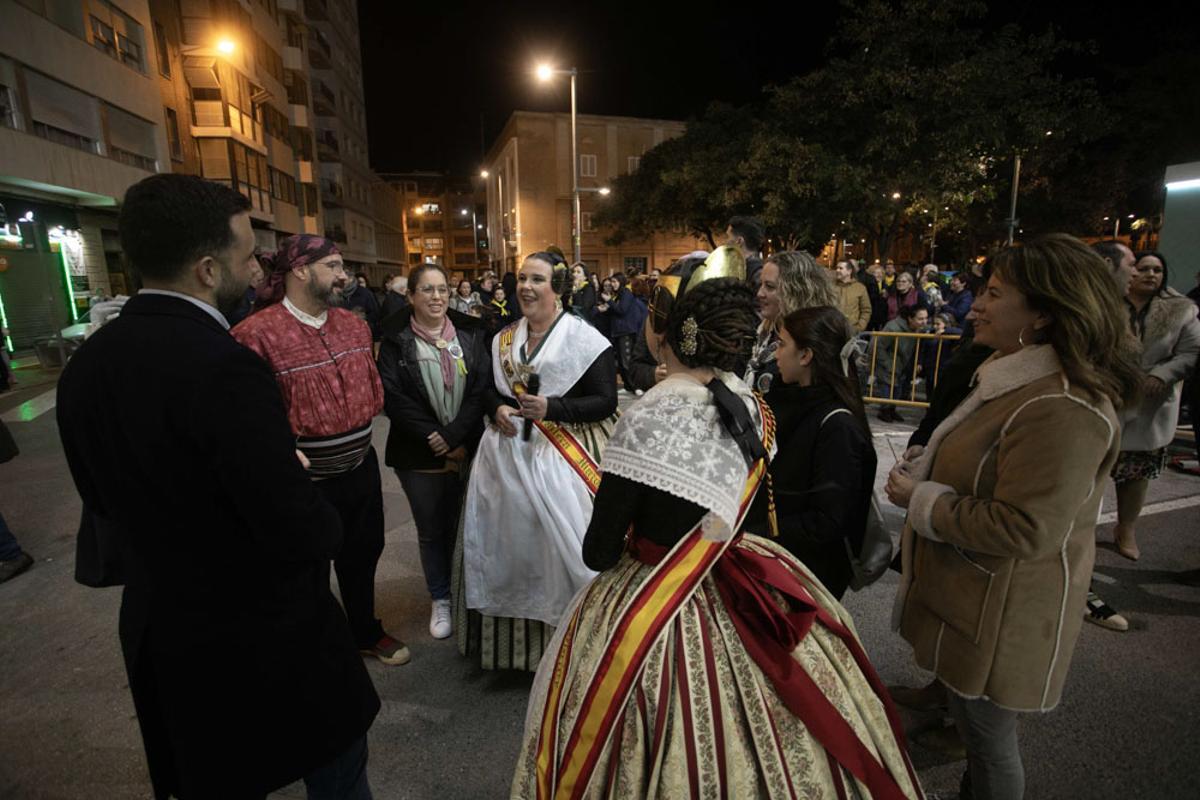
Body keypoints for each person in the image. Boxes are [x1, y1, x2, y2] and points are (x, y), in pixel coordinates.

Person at [513, 248, 921, 799]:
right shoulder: (751, 405)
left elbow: (599, 551)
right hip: (747, 576)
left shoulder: (647, 416)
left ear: (667, 334)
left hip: (657, 593)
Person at [56, 174, 379, 798]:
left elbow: (99, 500)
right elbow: (295, 524)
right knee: (338, 775)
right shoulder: (226, 365)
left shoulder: (86, 366)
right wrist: (309, 496)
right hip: (266, 630)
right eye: (247, 255)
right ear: (207, 270)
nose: (258, 267)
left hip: (167, 632)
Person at [885, 234, 1139, 800]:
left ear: (1044, 314)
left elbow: (1027, 527)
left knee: (989, 744)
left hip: (1003, 612)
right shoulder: (1013, 377)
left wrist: (922, 500)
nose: (976, 306)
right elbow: (988, 466)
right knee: (973, 725)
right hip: (974, 600)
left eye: (995, 294)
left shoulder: (1062, 406)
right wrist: (933, 465)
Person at [233, 234, 409, 667]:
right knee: (305, 563)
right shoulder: (255, 334)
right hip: (303, 481)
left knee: (363, 552)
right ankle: (315, 646)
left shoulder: (354, 325)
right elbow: (245, 411)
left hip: (360, 468)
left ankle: (365, 631)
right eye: (332, 266)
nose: (343, 276)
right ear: (299, 270)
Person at [457, 251, 618, 671]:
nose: (526, 287)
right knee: (509, 547)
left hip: (562, 454)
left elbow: (605, 401)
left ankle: (570, 648)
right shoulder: (502, 339)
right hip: (505, 458)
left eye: (537, 280)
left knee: (556, 550)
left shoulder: (585, 339)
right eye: (523, 279)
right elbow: (484, 388)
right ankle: (513, 654)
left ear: (557, 288)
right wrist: (496, 407)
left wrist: (554, 408)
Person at [376, 264, 490, 640]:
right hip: (417, 450)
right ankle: (440, 597)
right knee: (430, 531)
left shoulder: (471, 333)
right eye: (427, 289)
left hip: (466, 445)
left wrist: (454, 435)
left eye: (442, 289)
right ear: (410, 296)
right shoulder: (394, 340)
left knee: (466, 527)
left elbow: (480, 388)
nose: (437, 296)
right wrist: (433, 436)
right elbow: (393, 396)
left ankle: (466, 594)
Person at [747, 305, 877, 598]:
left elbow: (827, 522)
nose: (776, 354)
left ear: (805, 355)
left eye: (782, 345)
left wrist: (755, 532)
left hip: (804, 577)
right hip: (776, 561)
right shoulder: (790, 402)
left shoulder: (838, 427)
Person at [1109, 251, 1200, 560]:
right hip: (1111, 395)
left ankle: (1126, 528)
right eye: (1144, 268)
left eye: (1157, 270)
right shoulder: (1108, 304)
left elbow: (1190, 352)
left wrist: (1163, 374)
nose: (1150, 274)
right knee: (1093, 468)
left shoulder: (1181, 310)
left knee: (1137, 473)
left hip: (1150, 402)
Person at [746, 250, 837, 396]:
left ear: (796, 291)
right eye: (761, 284)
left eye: (770, 286)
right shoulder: (763, 331)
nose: (759, 293)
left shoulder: (815, 341)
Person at [871, 305, 929, 421]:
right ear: (910, 319)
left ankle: (891, 410)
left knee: (897, 390)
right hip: (888, 362)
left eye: (926, 318)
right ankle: (885, 410)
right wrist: (888, 364)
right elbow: (878, 346)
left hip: (901, 364)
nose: (924, 322)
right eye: (920, 319)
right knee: (887, 388)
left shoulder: (920, 328)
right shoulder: (893, 328)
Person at [594, 273, 646, 393]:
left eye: (615, 282)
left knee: (627, 360)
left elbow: (622, 310)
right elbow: (614, 311)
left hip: (626, 330)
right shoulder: (617, 295)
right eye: (612, 282)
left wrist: (609, 301)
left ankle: (636, 386)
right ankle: (627, 386)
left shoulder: (626, 293)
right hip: (617, 331)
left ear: (621, 282)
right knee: (621, 361)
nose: (613, 284)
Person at [726, 214, 765, 287]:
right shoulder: (760, 269)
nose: (725, 241)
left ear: (739, 241)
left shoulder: (757, 272)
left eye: (728, 236)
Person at [834, 258, 872, 333]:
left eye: (841, 268)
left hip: (852, 330)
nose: (837, 270)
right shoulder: (830, 287)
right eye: (837, 268)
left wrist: (859, 327)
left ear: (849, 271)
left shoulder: (860, 288)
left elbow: (866, 310)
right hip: (833, 329)